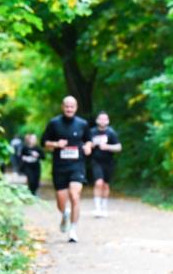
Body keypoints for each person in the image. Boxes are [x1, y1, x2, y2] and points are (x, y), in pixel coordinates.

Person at [42, 96, 93, 242]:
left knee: (75, 195)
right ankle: (65, 213)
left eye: (72, 107)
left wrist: (88, 146)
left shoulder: (82, 124)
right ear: (62, 107)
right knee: (61, 201)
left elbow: (88, 140)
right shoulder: (54, 123)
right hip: (59, 166)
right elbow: (44, 143)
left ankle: (73, 230)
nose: (69, 109)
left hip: (77, 165)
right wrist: (56, 144)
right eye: (67, 106)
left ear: (76, 108)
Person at [88, 111, 122, 217]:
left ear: (108, 121)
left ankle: (104, 207)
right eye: (100, 119)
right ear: (97, 120)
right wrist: (92, 145)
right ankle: (97, 208)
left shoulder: (111, 132)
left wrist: (108, 147)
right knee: (99, 183)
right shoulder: (91, 132)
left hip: (108, 162)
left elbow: (119, 147)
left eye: (105, 119)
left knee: (106, 185)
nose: (102, 121)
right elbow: (85, 145)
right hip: (96, 161)